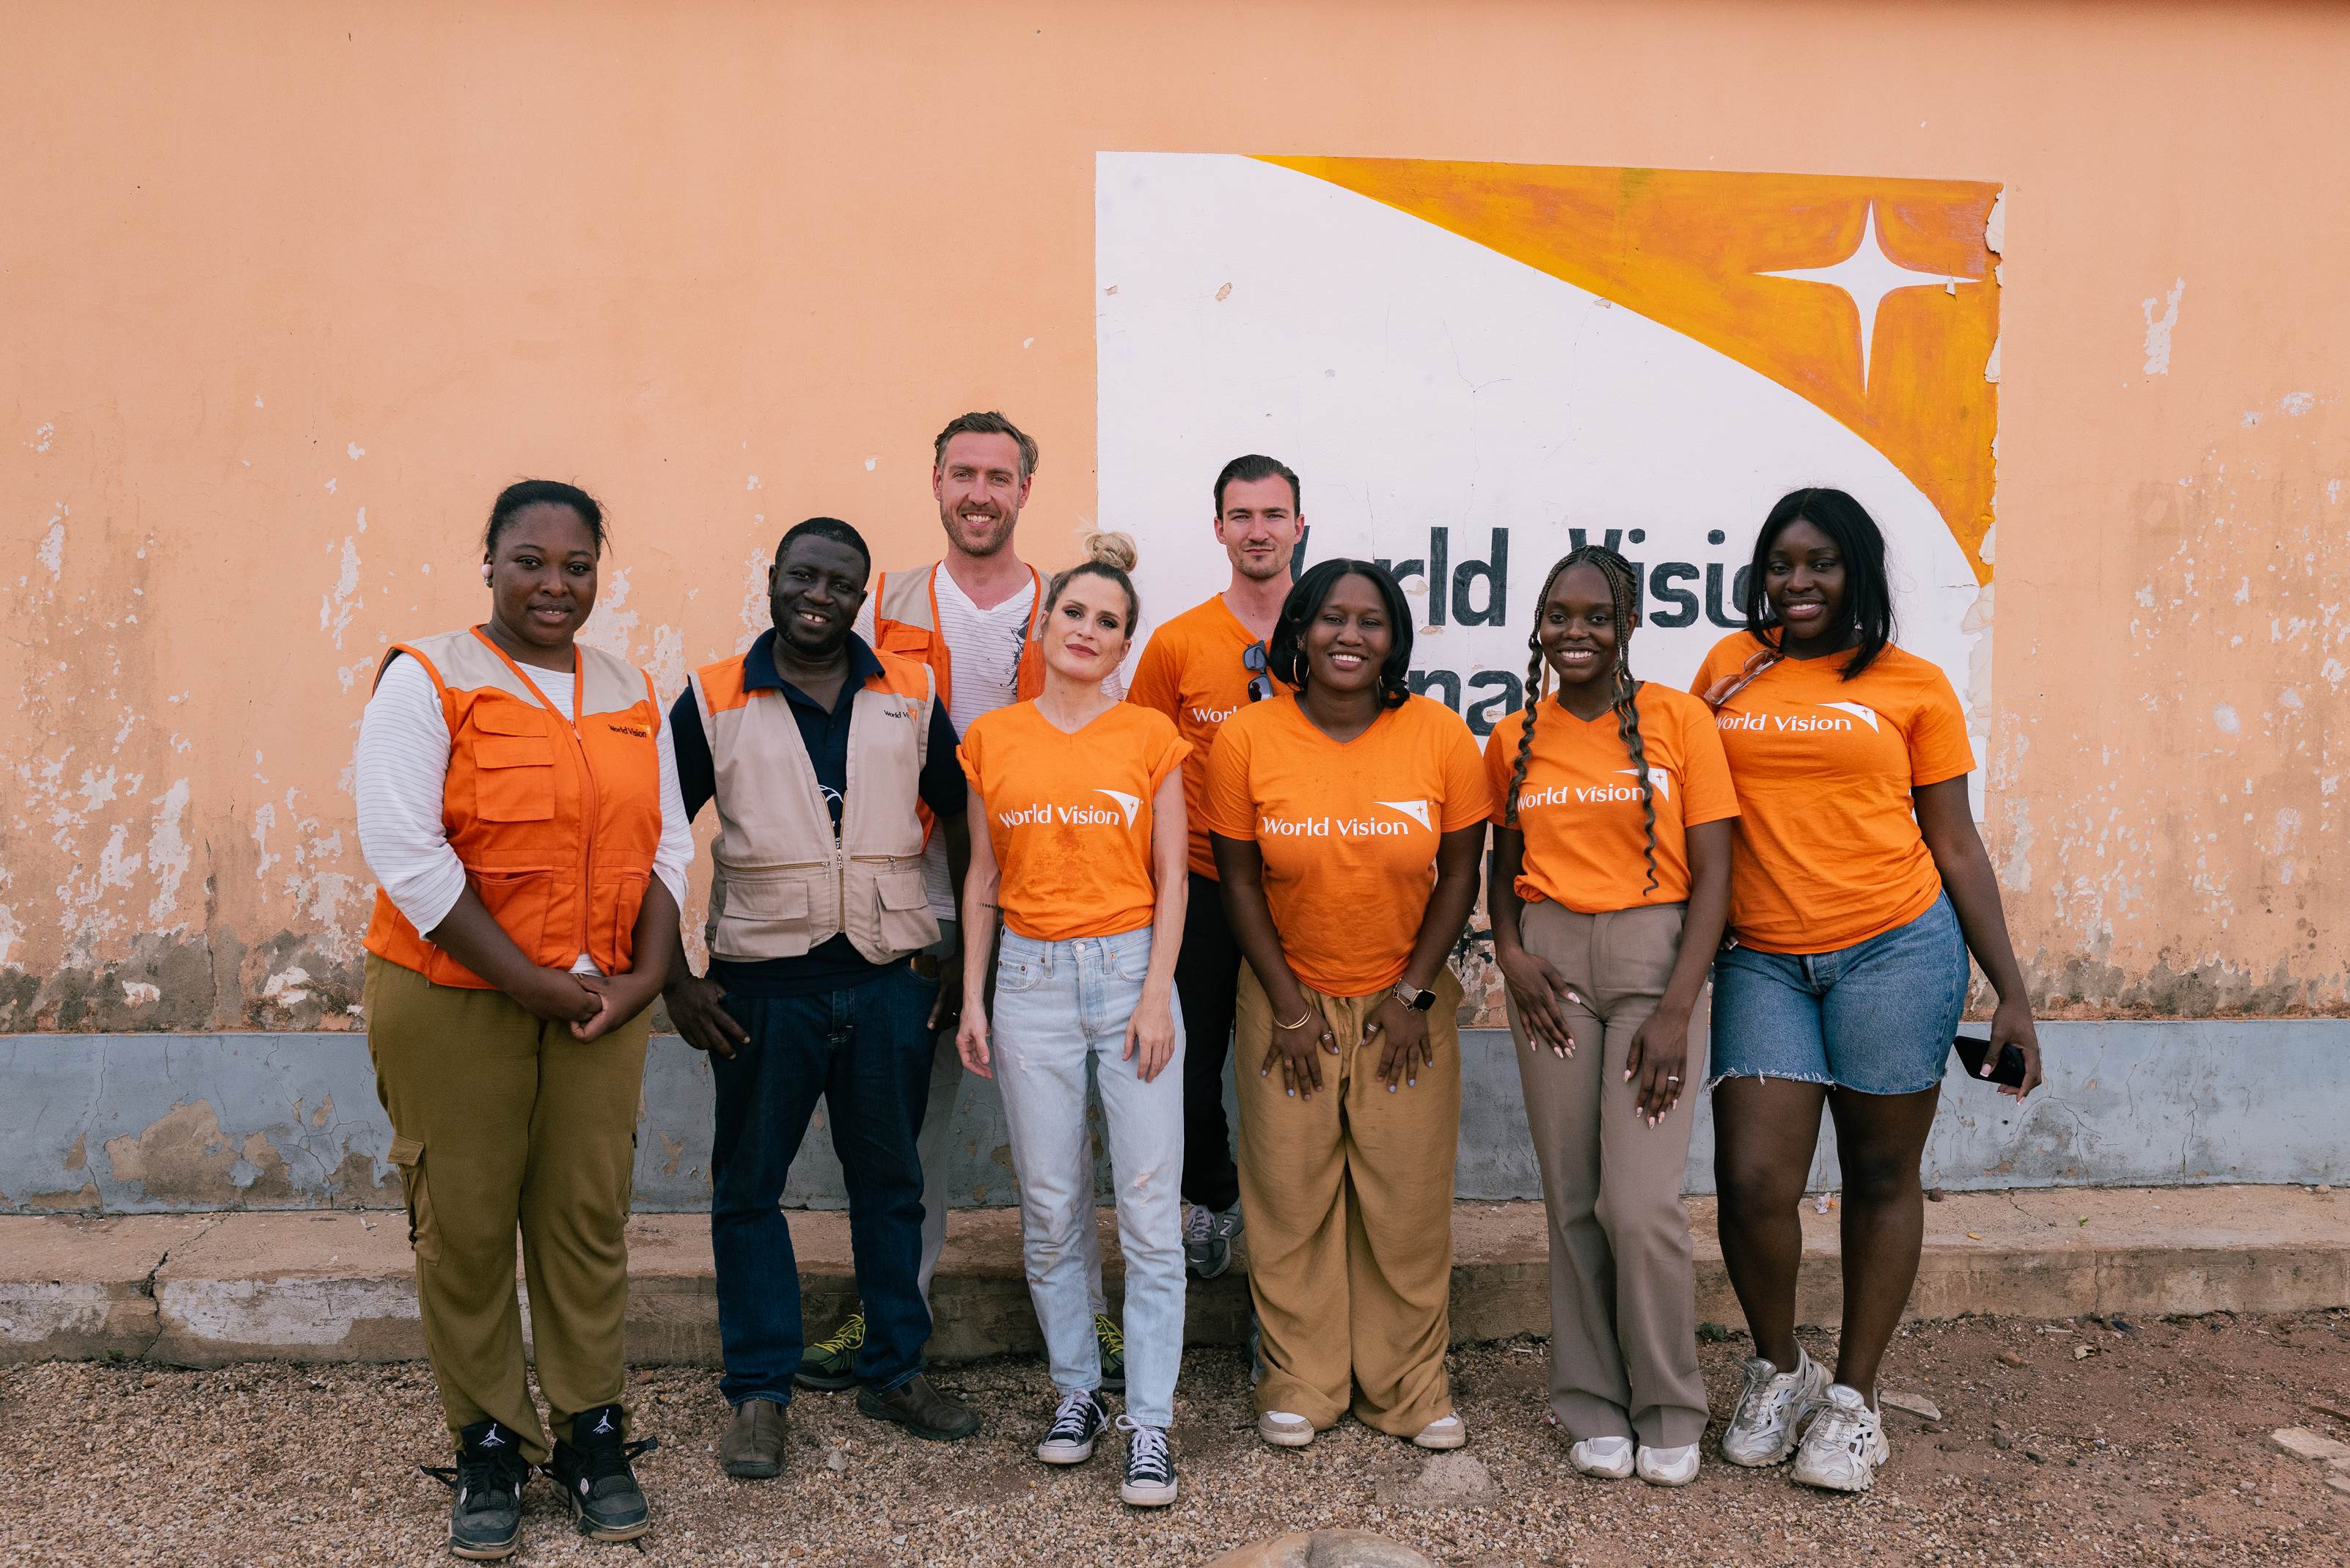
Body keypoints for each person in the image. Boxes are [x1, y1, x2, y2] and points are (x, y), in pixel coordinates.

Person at [354, 480, 690, 1558]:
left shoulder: (631, 685)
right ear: (488, 561)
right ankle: (490, 1440)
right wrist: (527, 980)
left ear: (600, 570)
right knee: (463, 1223)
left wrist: (644, 978)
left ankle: (594, 1431)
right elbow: (406, 851)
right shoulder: (429, 677)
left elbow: (670, 841)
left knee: (585, 1219)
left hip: (602, 1002)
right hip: (456, 996)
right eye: (531, 560)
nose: (555, 583)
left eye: (577, 564)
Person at [1696, 488, 2043, 1494]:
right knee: (1755, 1181)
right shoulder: (1729, 667)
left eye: (1821, 563)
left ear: (1859, 572)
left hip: (1896, 949)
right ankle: (1779, 1366)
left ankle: (1853, 1401)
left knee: (1880, 1177)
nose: (1797, 582)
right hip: (1761, 956)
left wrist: (2011, 992)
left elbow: (1958, 844)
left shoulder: (1913, 685)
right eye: (1780, 563)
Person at [662, 517, 984, 1480]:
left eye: (842, 583)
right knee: (749, 1190)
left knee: (893, 1186)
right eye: (804, 575)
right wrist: (676, 977)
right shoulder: (714, 696)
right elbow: (653, 831)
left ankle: (894, 1369)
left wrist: (964, 945)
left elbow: (961, 809)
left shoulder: (911, 690)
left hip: (891, 981)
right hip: (761, 988)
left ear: (862, 595)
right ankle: (759, 1393)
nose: (821, 595)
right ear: (773, 579)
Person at [806, 412, 1123, 1391]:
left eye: (999, 474)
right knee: (896, 1127)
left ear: (1028, 488)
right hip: (908, 907)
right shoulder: (880, 607)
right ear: (936, 482)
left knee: (1068, 1128)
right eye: (962, 473)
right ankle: (890, 1303)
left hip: (1044, 906)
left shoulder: (1072, 609)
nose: (980, 491)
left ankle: (1091, 1320)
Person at [1202, 559, 1493, 1451]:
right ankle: (1301, 1378)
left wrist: (1411, 993)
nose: (1350, 635)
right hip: (1284, 994)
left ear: (1395, 642)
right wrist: (1289, 1008)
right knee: (1289, 1193)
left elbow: (1459, 874)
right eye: (1331, 617)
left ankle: (1408, 1386)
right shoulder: (1248, 737)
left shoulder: (1440, 735)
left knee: (1404, 1198)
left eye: (1372, 621)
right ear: (1297, 630)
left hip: (1406, 1001)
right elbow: (1239, 883)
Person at [1485, 546, 1738, 1488]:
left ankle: (1669, 1402)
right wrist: (1509, 954)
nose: (1576, 633)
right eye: (1560, 615)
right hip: (1551, 969)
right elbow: (1499, 870)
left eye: (1596, 616)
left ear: (1628, 622)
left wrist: (1678, 1004)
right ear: (1540, 626)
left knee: (1641, 1203)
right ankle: (1592, 1400)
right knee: (1572, 1197)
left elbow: (1715, 874)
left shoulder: (1679, 722)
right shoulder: (1513, 737)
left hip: (1652, 964)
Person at [956, 532, 1193, 1507]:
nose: (1087, 630)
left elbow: (1175, 875)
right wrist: (974, 993)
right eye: (1075, 613)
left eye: (1109, 620)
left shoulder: (1149, 737)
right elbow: (980, 877)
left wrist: (1152, 995)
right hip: (1029, 984)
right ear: (1045, 623)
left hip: (1131, 969)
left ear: (1124, 643)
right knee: (1051, 1207)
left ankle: (1150, 1422)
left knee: (1145, 1211)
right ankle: (1076, 1394)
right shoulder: (995, 738)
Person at [1124, 453, 1301, 1280]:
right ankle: (1211, 1197)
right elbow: (1138, 766)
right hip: (1197, 881)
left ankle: (1297, 1220)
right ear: (1220, 527)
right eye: (1242, 515)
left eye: (1273, 514)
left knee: (1299, 1057)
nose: (1258, 530)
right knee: (1185, 1064)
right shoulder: (1178, 642)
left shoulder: (1336, 626)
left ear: (1300, 525)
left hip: (1305, 882)